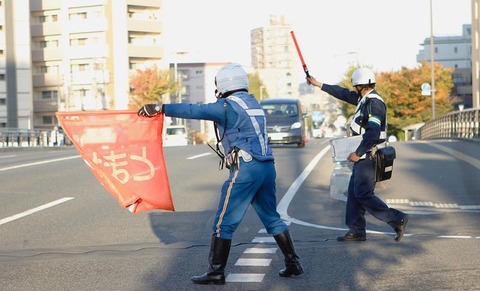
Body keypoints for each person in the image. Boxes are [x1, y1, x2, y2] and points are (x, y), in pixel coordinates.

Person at [138, 63, 303, 285]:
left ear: (223, 85)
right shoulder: (253, 103)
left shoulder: (226, 106)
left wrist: (161, 108)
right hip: (267, 167)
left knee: (223, 223)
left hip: (247, 169)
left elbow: (194, 110)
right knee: (271, 217)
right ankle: (293, 263)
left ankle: (216, 271)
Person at [307, 68, 409, 242]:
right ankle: (356, 230)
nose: (353, 90)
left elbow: (373, 133)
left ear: (360, 86)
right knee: (354, 192)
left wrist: (358, 152)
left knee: (363, 193)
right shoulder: (364, 99)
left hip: (369, 155)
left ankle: (396, 218)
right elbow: (342, 93)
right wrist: (319, 84)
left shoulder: (374, 104)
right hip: (363, 155)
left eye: (355, 87)